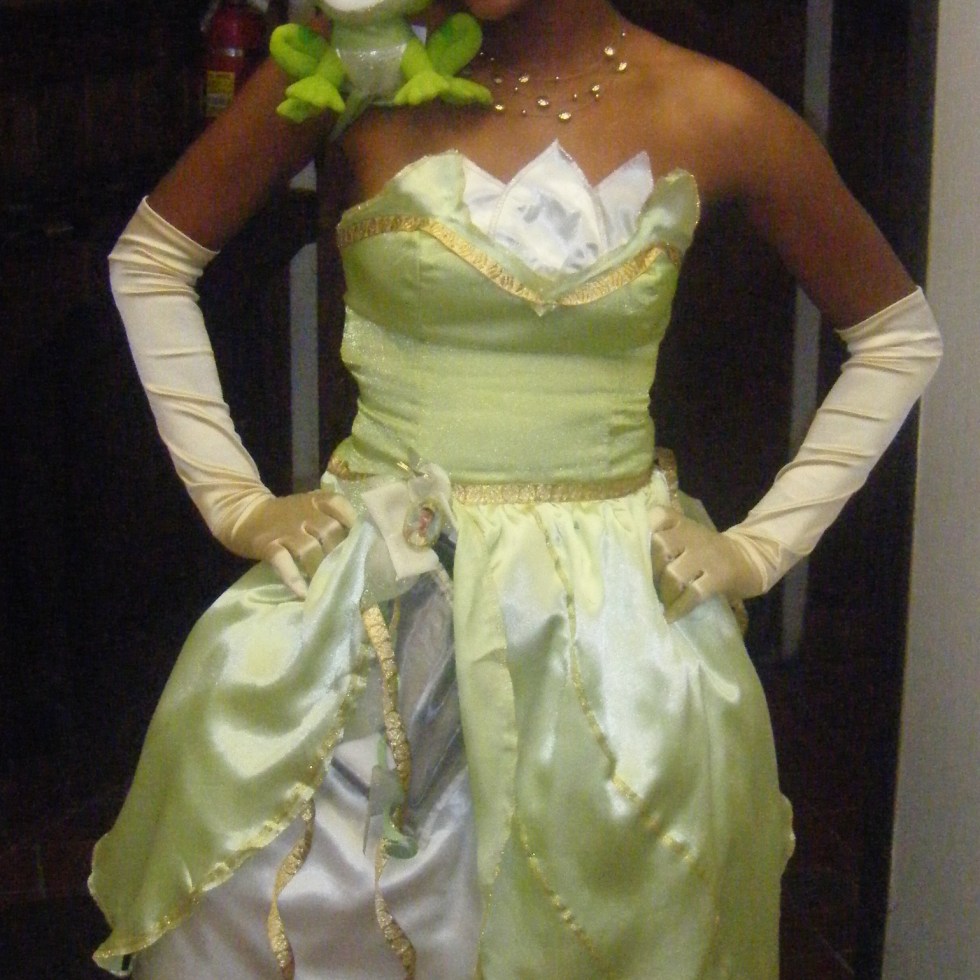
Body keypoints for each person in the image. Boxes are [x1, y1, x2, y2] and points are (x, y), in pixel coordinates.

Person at [88, 1, 942, 977]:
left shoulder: (715, 110)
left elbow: (895, 337)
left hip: (611, 650)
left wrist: (759, 547)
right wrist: (233, 499)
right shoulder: (354, 65)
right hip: (367, 621)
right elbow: (153, 259)